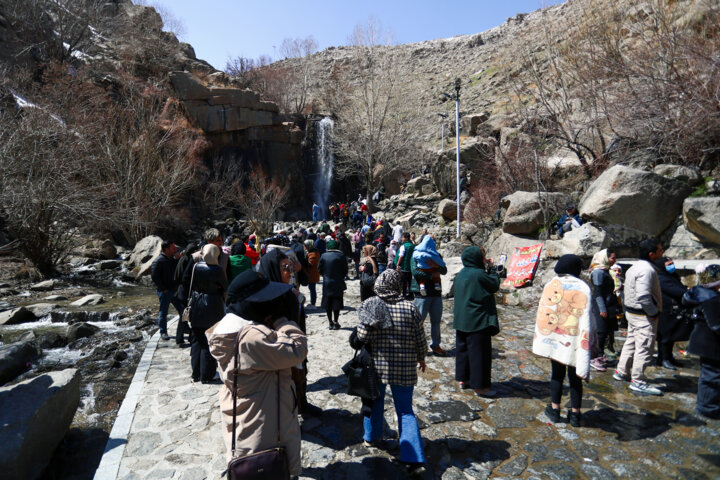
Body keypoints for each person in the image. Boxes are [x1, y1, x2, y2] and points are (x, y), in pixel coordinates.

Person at [207, 270, 307, 478]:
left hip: (250, 423)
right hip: (267, 432)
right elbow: (297, 349)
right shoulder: (252, 338)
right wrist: (283, 321)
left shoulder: (229, 327)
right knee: (275, 471)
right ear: (252, 303)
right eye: (268, 299)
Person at [354, 270, 428, 477]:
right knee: (405, 410)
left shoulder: (372, 304)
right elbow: (420, 337)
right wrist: (422, 358)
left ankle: (371, 436)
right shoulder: (409, 307)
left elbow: (362, 336)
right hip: (404, 367)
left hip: (378, 367)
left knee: (374, 401)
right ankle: (412, 457)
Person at [532, 254, 592, 427]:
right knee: (575, 378)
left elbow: (544, 310)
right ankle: (575, 415)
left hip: (556, 338)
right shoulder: (583, 287)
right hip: (574, 339)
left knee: (557, 375)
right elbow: (588, 316)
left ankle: (555, 410)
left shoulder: (551, 285)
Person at [613, 239, 664, 396]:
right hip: (643, 315)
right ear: (651, 254)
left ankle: (621, 371)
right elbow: (643, 296)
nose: (662, 253)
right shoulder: (647, 270)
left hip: (632, 313)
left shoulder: (634, 268)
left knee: (631, 343)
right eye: (660, 250)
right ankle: (638, 381)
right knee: (644, 348)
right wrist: (653, 312)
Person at [453, 246, 500, 397]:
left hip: (462, 319)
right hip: (477, 320)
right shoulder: (479, 274)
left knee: (463, 351)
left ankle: (464, 379)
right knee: (479, 354)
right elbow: (494, 284)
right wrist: (492, 268)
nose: (484, 259)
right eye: (482, 256)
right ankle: (480, 386)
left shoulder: (461, 273)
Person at [183, 244, 228, 383]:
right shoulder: (218, 270)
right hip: (213, 306)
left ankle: (195, 374)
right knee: (209, 341)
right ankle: (206, 375)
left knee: (197, 341)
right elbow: (225, 286)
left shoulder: (196, 266)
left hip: (196, 304)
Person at [684, 269, 720, 419]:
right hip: (710, 343)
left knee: (711, 375)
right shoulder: (712, 299)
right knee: (711, 376)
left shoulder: (705, 294)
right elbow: (717, 325)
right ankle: (707, 408)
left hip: (706, 341)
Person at [411, 235, 448, 356]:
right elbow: (415, 272)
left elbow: (444, 270)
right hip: (421, 294)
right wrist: (432, 275)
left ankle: (435, 345)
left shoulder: (436, 255)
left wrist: (435, 266)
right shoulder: (416, 254)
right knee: (418, 321)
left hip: (436, 293)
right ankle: (415, 346)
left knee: (436, 322)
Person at [588, 248, 620, 372]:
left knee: (605, 331)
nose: (614, 260)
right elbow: (598, 293)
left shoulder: (605, 271)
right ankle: (594, 357)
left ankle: (600, 355)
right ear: (605, 258)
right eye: (612, 257)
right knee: (600, 332)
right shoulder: (598, 273)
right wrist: (602, 309)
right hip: (600, 306)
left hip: (607, 305)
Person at [655, 256, 689, 370]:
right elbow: (675, 290)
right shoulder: (661, 278)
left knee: (671, 336)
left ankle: (669, 357)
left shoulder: (672, 276)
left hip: (673, 311)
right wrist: (686, 290)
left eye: (672, 263)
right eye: (668, 264)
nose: (671, 266)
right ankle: (663, 359)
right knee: (664, 337)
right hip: (665, 311)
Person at [151, 240, 184, 341]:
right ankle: (163, 332)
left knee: (182, 311)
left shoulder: (171, 259)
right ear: (166, 249)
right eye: (173, 248)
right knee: (163, 312)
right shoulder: (158, 261)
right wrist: (163, 289)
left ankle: (184, 328)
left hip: (174, 290)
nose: (175, 249)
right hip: (165, 291)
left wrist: (179, 258)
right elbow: (154, 277)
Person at [319, 239, 348, 330]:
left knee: (328, 303)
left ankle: (330, 322)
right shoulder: (341, 255)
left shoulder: (323, 255)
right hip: (338, 282)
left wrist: (325, 276)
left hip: (327, 283)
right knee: (336, 302)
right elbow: (345, 270)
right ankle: (336, 321)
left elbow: (319, 269)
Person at [174, 242, 199, 345]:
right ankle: (181, 338)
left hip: (180, 290)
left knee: (183, 316)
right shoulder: (188, 260)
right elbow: (186, 278)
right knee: (184, 316)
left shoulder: (182, 258)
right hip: (184, 292)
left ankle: (183, 337)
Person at [395, 233, 415, 299]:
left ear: (406, 238)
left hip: (404, 267)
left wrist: (397, 264)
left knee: (403, 281)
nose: (401, 239)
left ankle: (404, 295)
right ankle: (411, 294)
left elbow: (401, 256)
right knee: (410, 281)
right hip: (410, 267)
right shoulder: (412, 245)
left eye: (402, 237)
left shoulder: (403, 246)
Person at [304, 240, 320, 306]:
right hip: (311, 274)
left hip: (312, 274)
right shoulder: (313, 252)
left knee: (312, 289)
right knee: (311, 289)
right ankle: (312, 302)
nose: (305, 247)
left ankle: (313, 303)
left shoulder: (313, 254)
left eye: (305, 246)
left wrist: (303, 263)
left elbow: (310, 264)